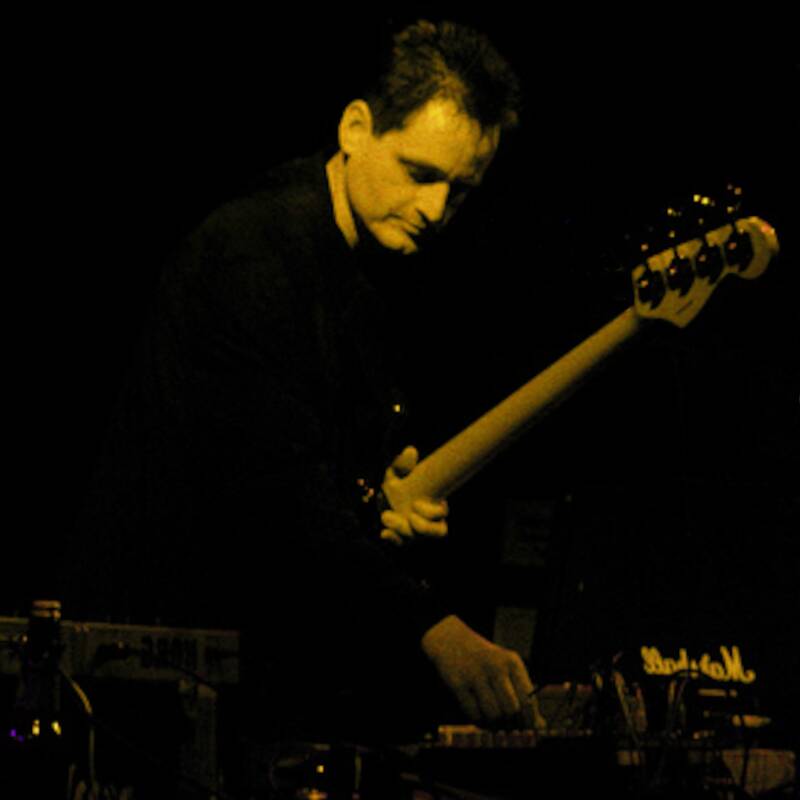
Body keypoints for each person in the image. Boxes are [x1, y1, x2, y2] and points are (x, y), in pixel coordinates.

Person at [67, 18, 535, 749]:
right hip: (160, 689)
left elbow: (304, 470)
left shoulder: (363, 263)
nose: (436, 210)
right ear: (356, 128)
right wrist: (434, 628)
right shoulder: (250, 255)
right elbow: (271, 498)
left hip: (249, 675)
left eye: (461, 191)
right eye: (420, 173)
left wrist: (379, 498)